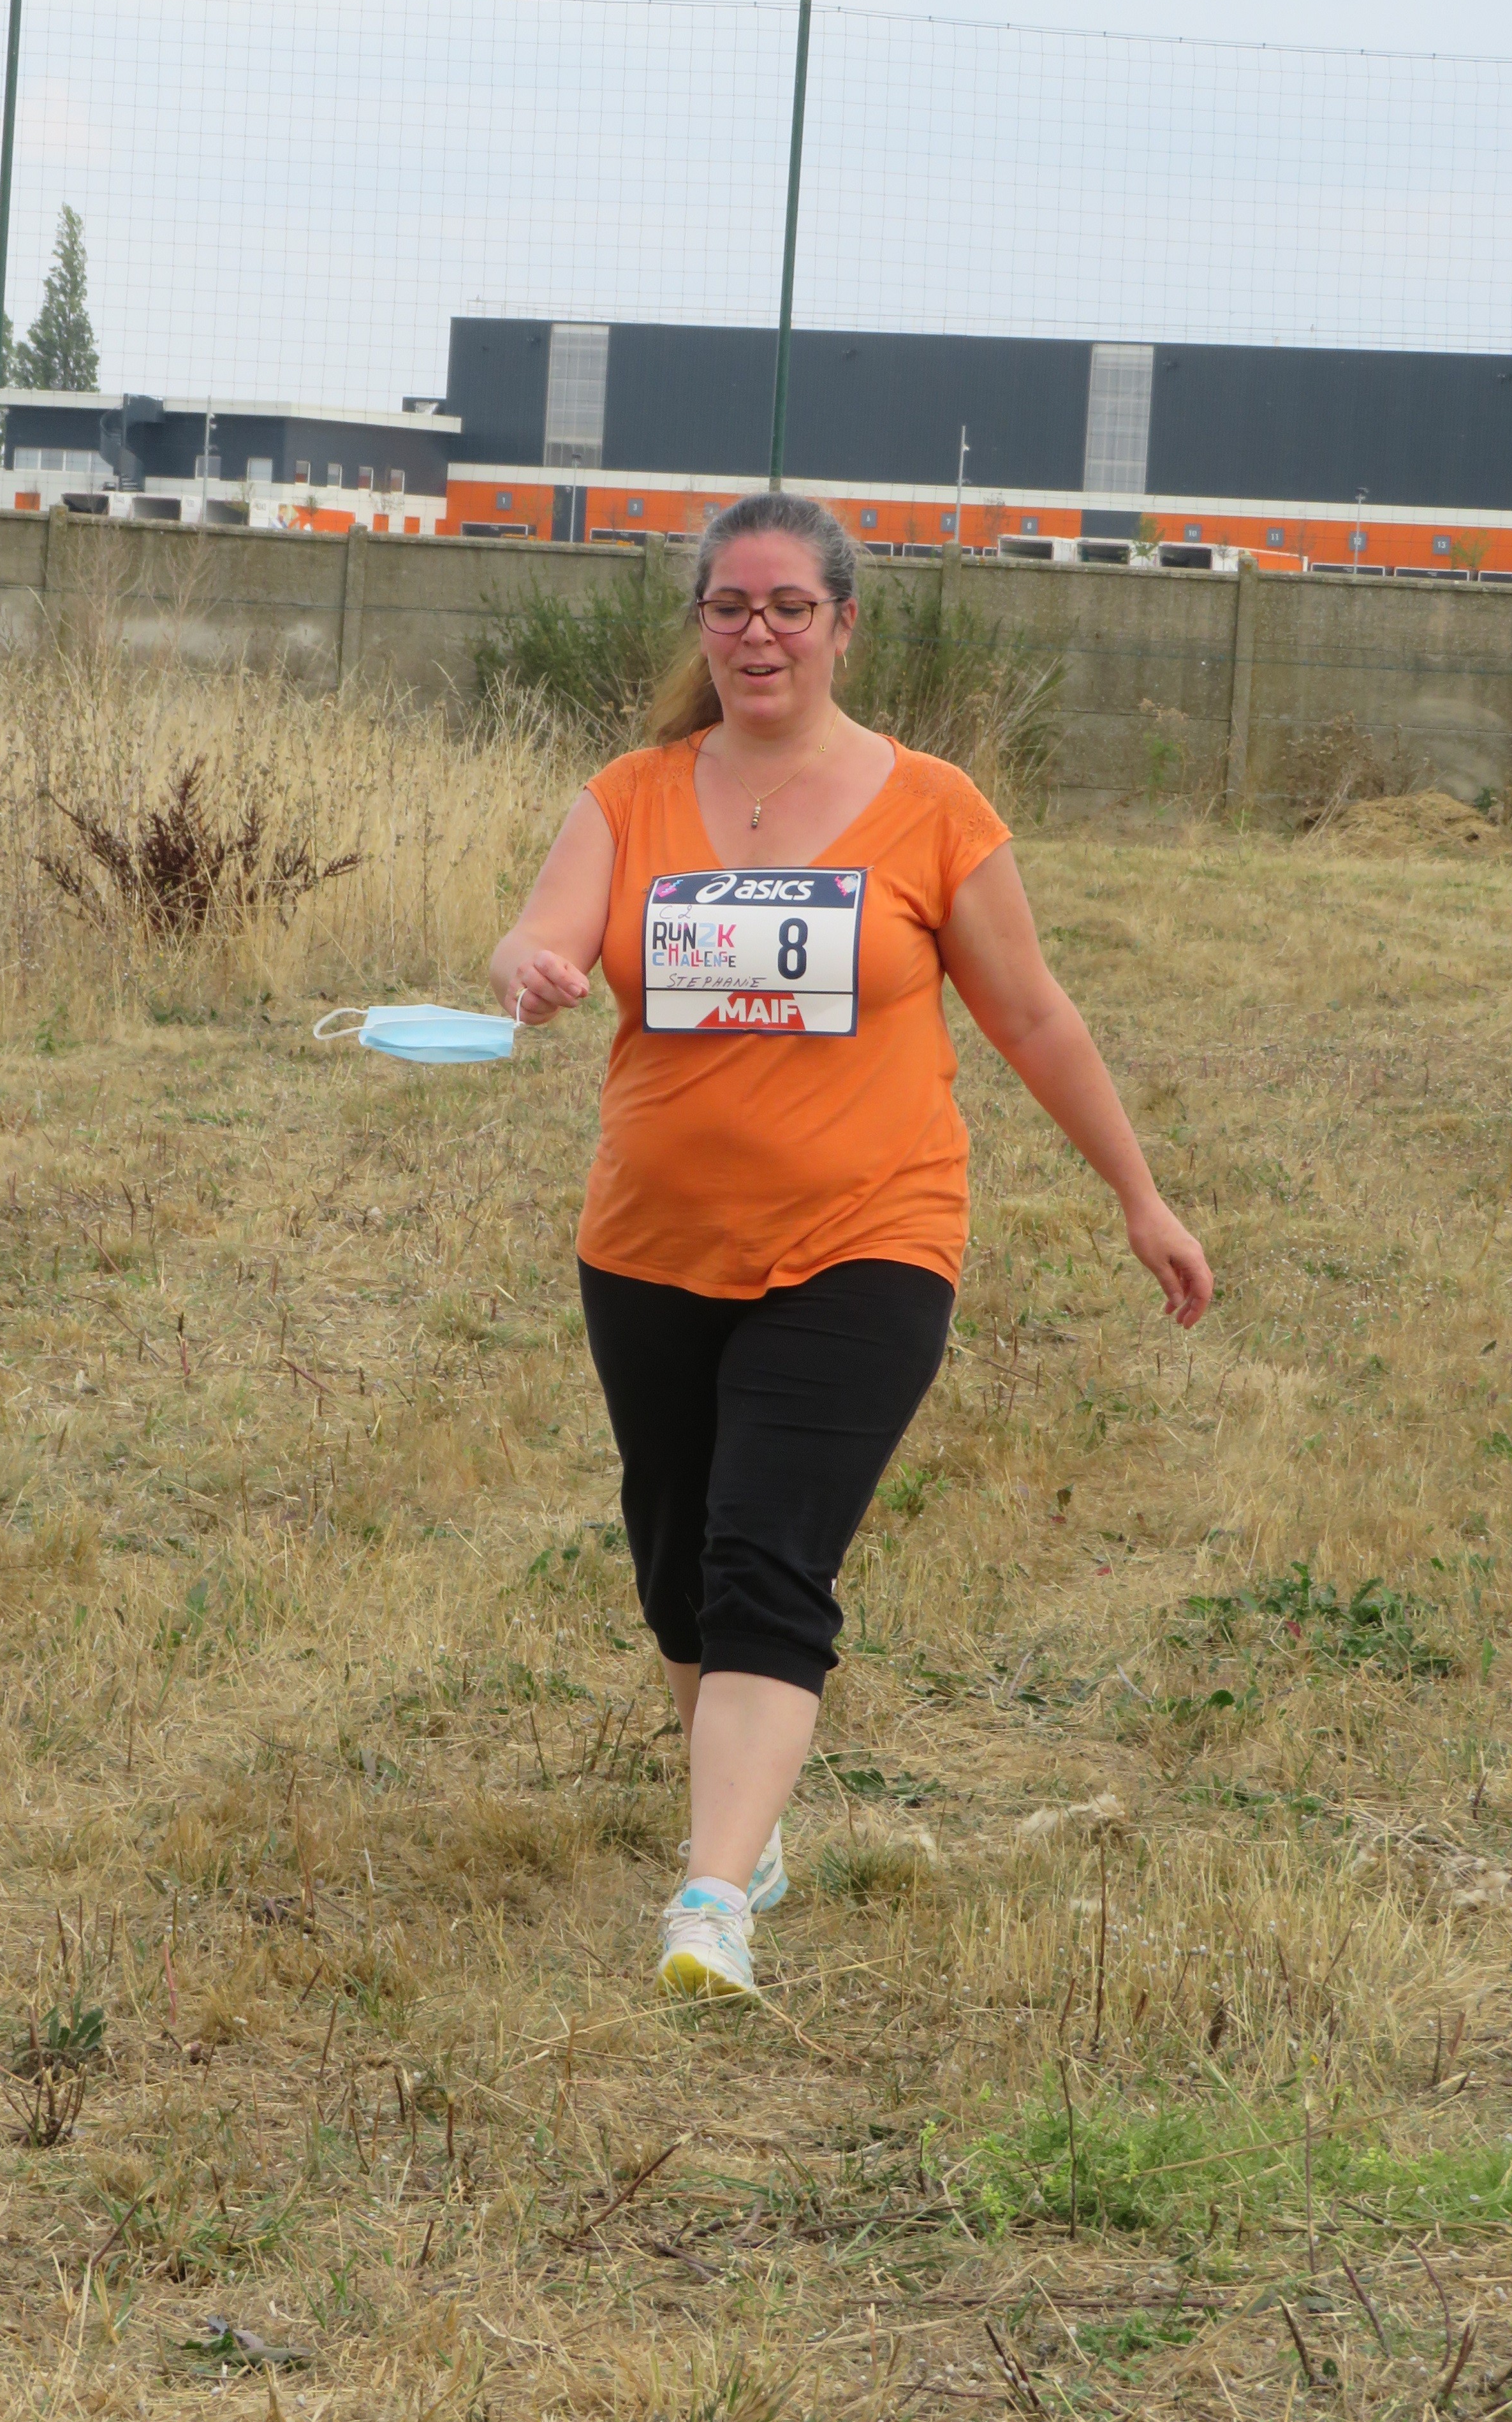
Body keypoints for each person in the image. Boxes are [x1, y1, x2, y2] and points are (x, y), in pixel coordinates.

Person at [488, 490, 1213, 2002]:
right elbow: (541, 932)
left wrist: (1139, 1197)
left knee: (766, 1551)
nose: (758, 634)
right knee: (679, 1564)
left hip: (870, 1235)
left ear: (842, 625)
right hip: (651, 1243)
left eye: (788, 609)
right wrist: (537, 968)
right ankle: (741, 1833)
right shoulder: (630, 794)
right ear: (702, 624)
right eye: (730, 608)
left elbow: (1031, 1017)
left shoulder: (932, 807)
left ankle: (710, 1903)